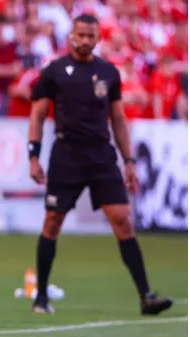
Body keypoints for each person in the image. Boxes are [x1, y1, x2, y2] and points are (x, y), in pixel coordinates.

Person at [26, 14, 173, 315]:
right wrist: (33, 155)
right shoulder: (54, 71)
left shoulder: (109, 72)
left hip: (101, 155)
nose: (84, 40)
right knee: (52, 222)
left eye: (90, 36)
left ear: (97, 39)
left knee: (123, 220)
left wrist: (129, 160)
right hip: (66, 154)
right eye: (80, 35)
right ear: (71, 37)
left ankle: (146, 296)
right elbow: (38, 116)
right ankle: (40, 297)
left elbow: (118, 119)